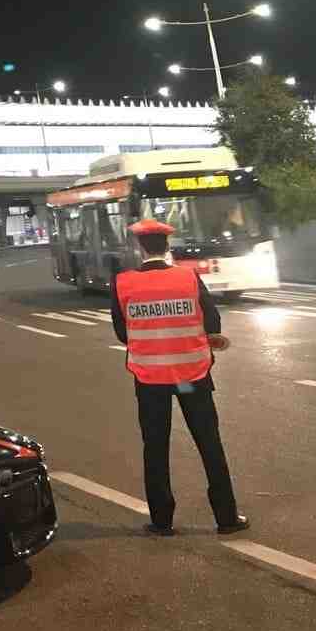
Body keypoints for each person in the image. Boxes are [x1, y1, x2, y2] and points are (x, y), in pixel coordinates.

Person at [110, 219, 249, 537]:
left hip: (151, 381)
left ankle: (162, 521)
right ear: (167, 246)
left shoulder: (123, 283)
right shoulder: (188, 278)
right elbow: (212, 320)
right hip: (191, 377)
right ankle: (226, 518)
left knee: (155, 447)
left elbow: (122, 333)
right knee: (209, 443)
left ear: (139, 247)